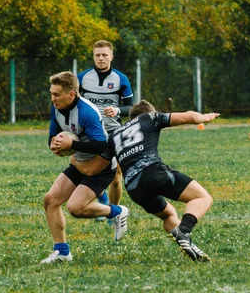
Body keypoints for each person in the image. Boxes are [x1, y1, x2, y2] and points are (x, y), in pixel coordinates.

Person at [108, 99, 218, 262]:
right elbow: (188, 117)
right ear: (150, 112)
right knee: (202, 198)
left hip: (133, 187)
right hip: (152, 172)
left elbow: (101, 166)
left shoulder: (114, 135)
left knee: (168, 215)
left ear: (130, 117)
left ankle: (187, 243)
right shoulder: (150, 118)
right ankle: (184, 231)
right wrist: (205, 117)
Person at [40, 71, 129, 264]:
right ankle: (62, 252)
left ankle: (116, 212)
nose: (52, 98)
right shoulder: (56, 108)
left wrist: (71, 146)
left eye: (56, 94)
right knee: (50, 200)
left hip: (102, 165)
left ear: (71, 94)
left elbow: (100, 146)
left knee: (75, 208)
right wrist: (54, 145)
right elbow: (52, 136)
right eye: (51, 93)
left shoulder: (87, 112)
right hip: (80, 162)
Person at [77, 40, 134, 218]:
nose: (100, 58)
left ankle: (113, 213)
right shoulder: (81, 78)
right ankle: (102, 198)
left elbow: (131, 108)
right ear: (93, 56)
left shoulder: (121, 79)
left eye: (104, 55)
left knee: (116, 177)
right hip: (88, 132)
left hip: (113, 133)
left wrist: (117, 110)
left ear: (111, 57)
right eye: (97, 55)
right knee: (83, 168)